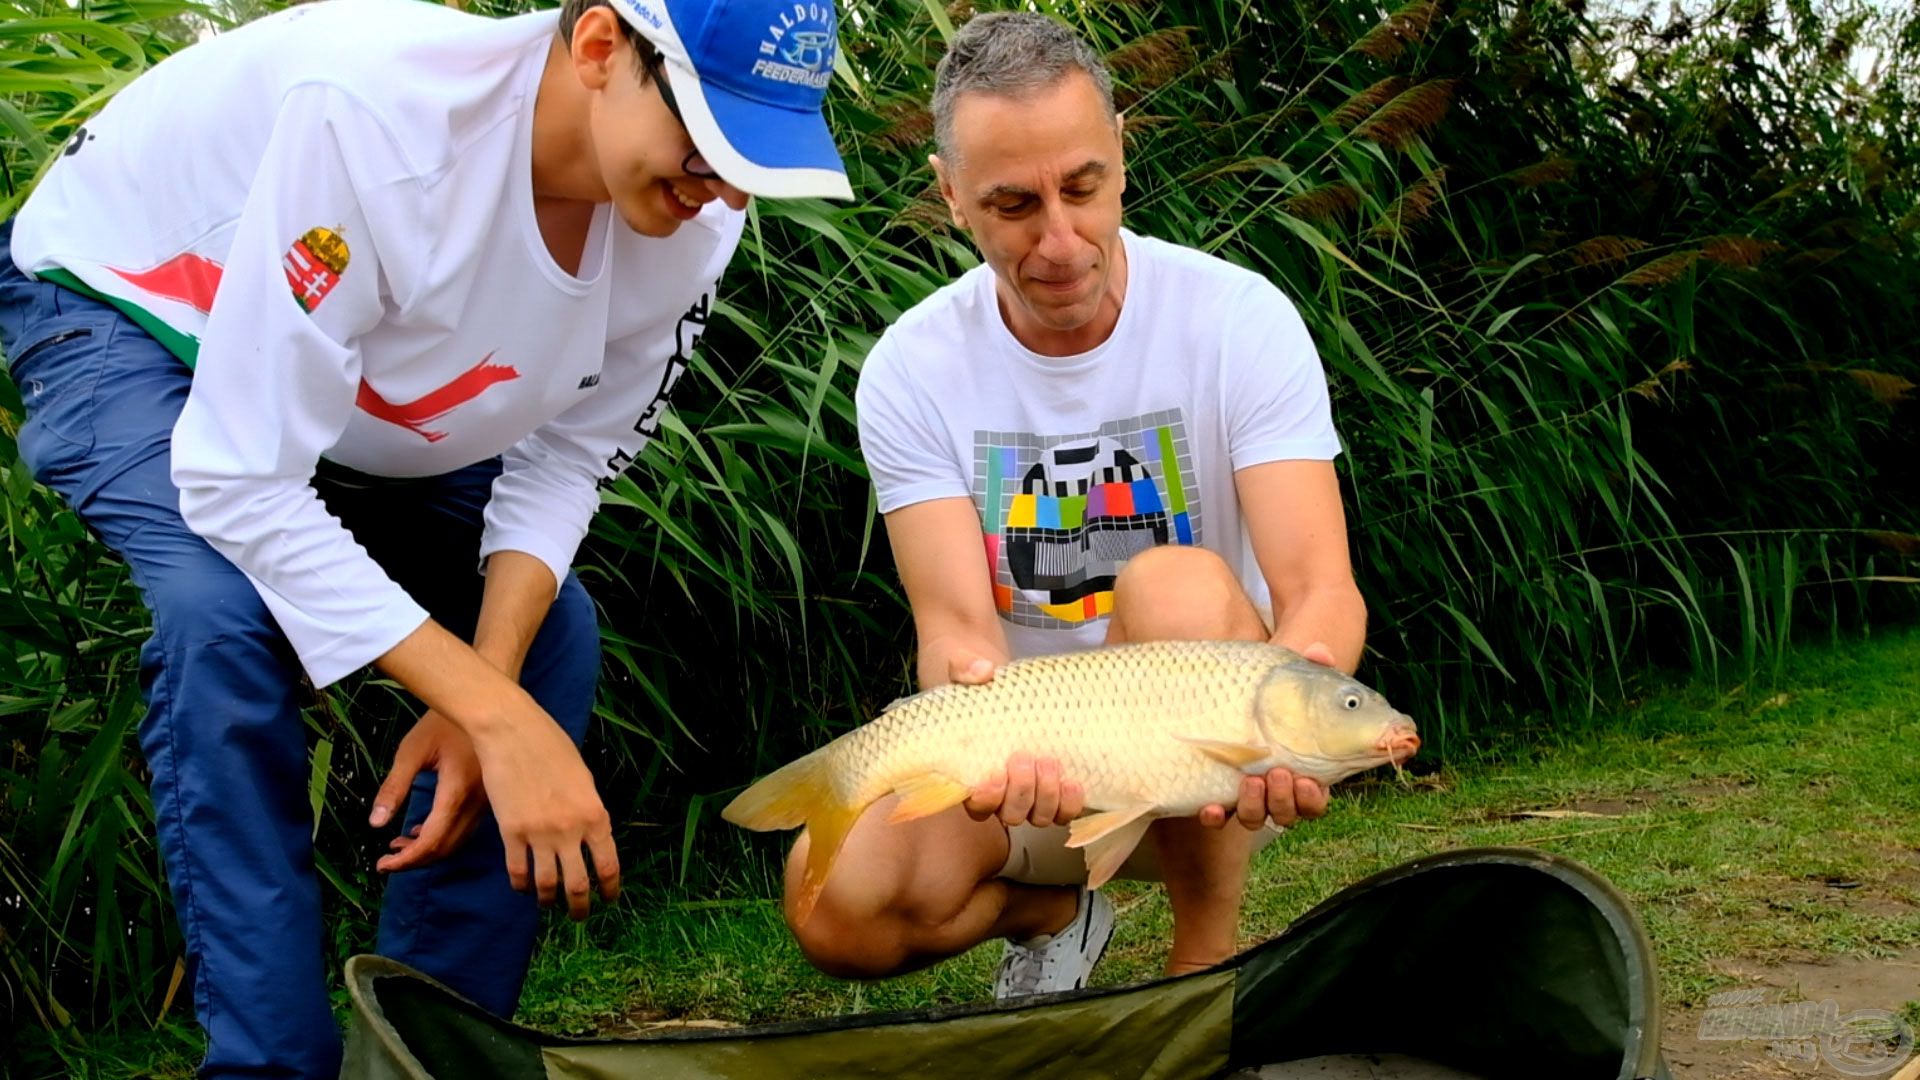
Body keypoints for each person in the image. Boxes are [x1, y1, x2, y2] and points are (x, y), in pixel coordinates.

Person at [0, 0, 851, 1072]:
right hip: (124, 309)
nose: (725, 186)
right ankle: (272, 1064)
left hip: (339, 370)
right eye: (709, 137)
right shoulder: (378, 129)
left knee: (548, 638)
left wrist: (485, 688)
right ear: (599, 48)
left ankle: (431, 1056)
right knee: (221, 621)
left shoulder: (696, 223)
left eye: (755, 153)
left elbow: (569, 460)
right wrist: (493, 715)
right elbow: (240, 480)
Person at [793, 10, 1367, 999]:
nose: (1059, 240)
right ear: (951, 199)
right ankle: (1059, 913)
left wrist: (1303, 708)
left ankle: (1200, 968)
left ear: (1121, 158)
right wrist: (994, 745)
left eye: (1082, 188)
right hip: (1035, 772)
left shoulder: (1237, 321)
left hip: (1217, 765)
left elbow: (1321, 585)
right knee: (837, 909)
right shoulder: (910, 370)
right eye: (1013, 204)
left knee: (1178, 587)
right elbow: (956, 634)